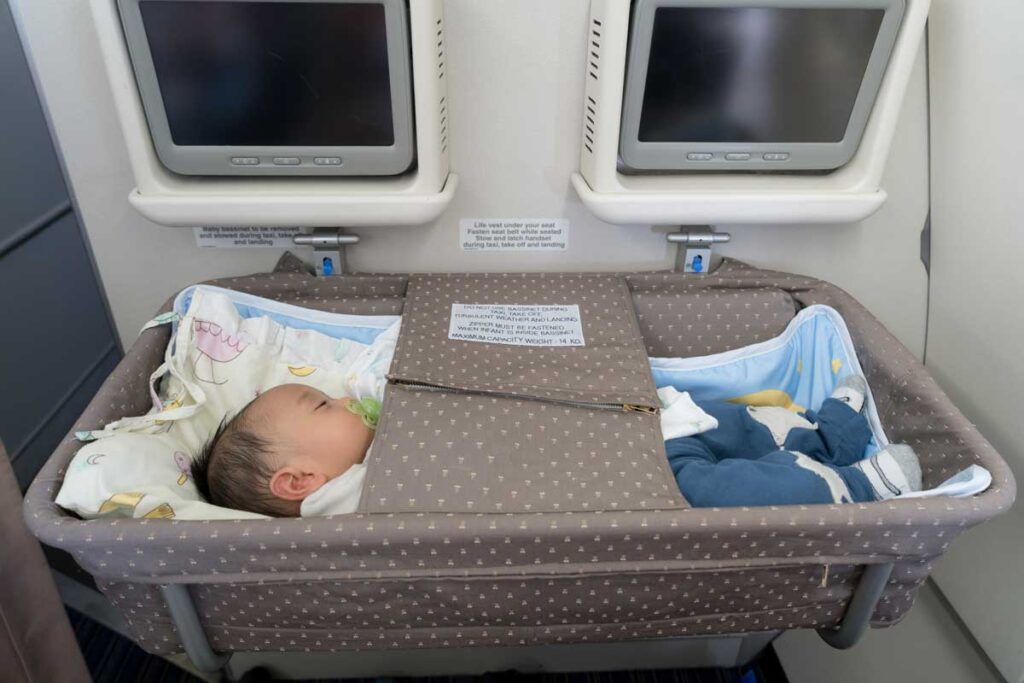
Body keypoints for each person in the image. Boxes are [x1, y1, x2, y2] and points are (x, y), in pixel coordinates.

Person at [661, 376, 923, 507]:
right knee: (716, 490)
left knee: (735, 422)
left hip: (651, 416)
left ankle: (825, 440)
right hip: (646, 468)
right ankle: (853, 488)